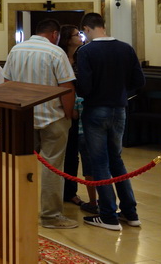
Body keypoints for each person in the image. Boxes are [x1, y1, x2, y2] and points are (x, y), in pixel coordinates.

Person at [3, 18, 77, 229]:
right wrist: (68, 113)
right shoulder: (55, 52)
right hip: (52, 117)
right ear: (54, 35)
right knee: (53, 166)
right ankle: (51, 216)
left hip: (23, 116)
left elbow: (6, 84)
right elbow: (67, 87)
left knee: (20, 164)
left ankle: (16, 209)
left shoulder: (16, 50)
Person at [76, 12, 146, 231]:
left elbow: (85, 87)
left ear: (86, 29)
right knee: (116, 160)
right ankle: (130, 212)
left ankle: (108, 215)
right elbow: (139, 81)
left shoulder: (86, 51)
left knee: (99, 162)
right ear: (103, 26)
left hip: (96, 110)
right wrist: (120, 93)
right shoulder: (126, 48)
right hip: (120, 109)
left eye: (83, 33)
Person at [57, 25, 98, 214]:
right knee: (63, 154)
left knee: (74, 153)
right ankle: (60, 190)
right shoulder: (59, 57)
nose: (80, 37)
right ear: (67, 39)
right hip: (61, 108)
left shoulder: (83, 55)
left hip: (81, 109)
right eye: (76, 35)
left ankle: (71, 192)